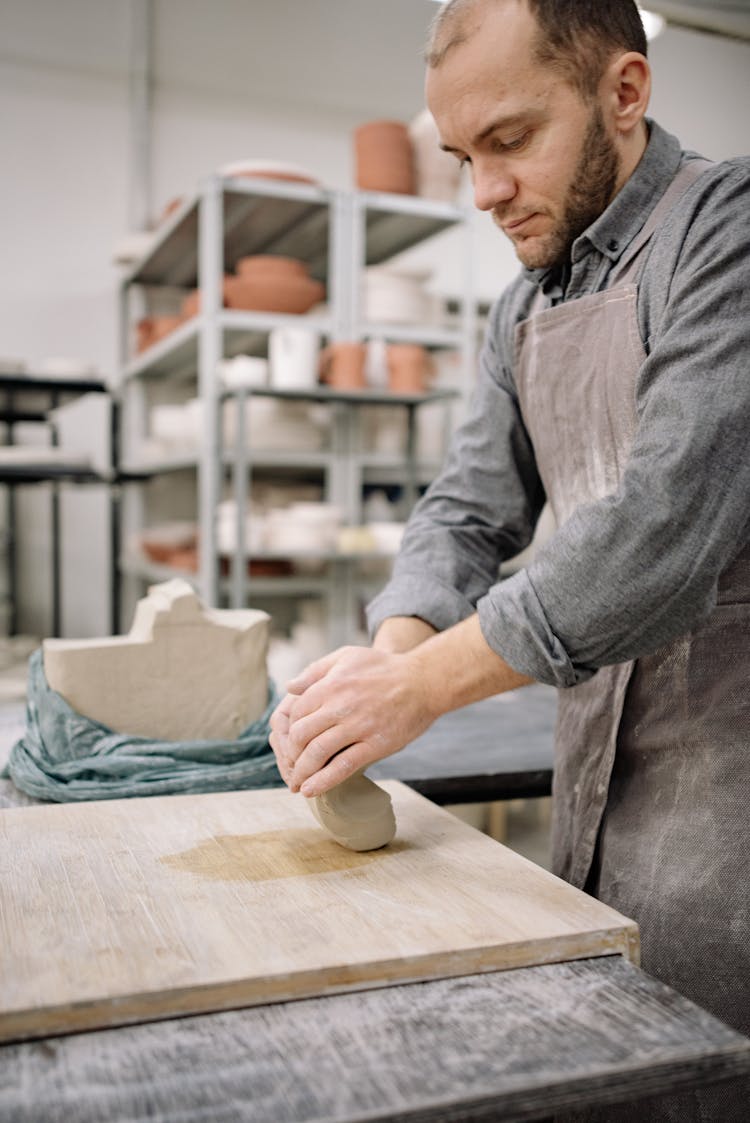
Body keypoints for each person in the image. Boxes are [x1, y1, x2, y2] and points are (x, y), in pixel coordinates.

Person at [270, 2, 749, 1116]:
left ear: (624, 93)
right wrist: (388, 652)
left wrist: (425, 684)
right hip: (596, 773)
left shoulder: (726, 229)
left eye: (511, 140)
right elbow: (467, 509)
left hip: (732, 787)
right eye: (459, 156)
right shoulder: (525, 304)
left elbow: (662, 534)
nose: (483, 192)